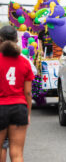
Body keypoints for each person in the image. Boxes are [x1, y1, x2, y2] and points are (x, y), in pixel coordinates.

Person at [0, 26, 35, 162]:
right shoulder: (24, 62)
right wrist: (28, 113)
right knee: (17, 153)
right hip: (19, 108)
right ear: (17, 40)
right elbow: (28, 92)